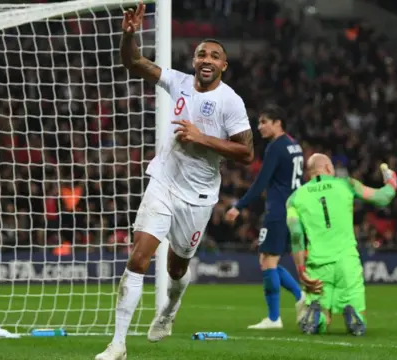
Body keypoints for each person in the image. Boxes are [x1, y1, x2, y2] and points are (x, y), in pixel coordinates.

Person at [96, 2, 254, 359]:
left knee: (177, 267)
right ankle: (118, 343)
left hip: (198, 197)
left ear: (223, 65)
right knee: (138, 258)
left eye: (214, 55)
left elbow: (246, 154)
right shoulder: (179, 82)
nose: (207, 59)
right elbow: (134, 63)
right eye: (201, 54)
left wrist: (203, 139)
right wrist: (129, 34)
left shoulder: (231, 102)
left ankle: (169, 308)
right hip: (164, 182)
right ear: (195, 60)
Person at [286, 154, 397, 335]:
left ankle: (318, 316)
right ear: (329, 169)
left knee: (321, 313)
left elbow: (296, 236)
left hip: (318, 263)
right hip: (347, 261)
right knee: (356, 306)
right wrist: (392, 181)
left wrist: (301, 270)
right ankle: (354, 314)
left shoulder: (295, 198)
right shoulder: (346, 184)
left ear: (309, 174)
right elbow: (383, 198)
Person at [224, 105, 306, 329]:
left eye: (263, 122)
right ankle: (300, 298)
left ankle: (274, 317)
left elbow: (261, 181)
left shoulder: (276, 147)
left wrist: (238, 206)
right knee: (267, 261)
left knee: (268, 261)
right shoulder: (294, 145)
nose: (259, 127)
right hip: (294, 209)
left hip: (278, 210)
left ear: (277, 122)